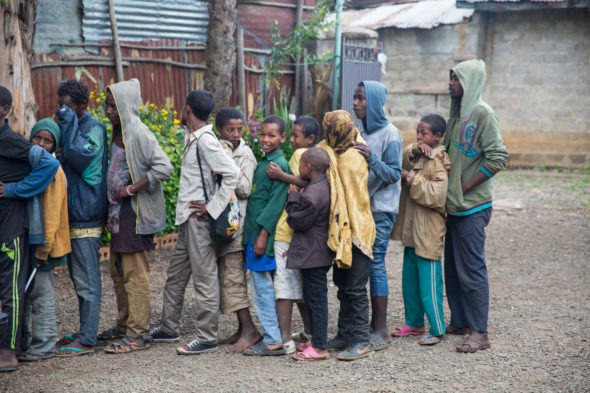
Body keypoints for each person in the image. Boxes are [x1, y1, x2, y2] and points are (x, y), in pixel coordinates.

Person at [149, 90, 239, 355]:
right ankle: (168, 327)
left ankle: (207, 338)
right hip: (188, 221)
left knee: (204, 279)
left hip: (200, 223)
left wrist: (212, 207)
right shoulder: (195, 138)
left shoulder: (206, 141)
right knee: (175, 277)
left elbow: (231, 174)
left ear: (187, 108)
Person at [99, 79, 173, 354]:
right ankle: (124, 324)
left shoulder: (139, 133)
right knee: (118, 272)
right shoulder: (118, 132)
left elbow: (164, 167)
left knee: (135, 274)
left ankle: (138, 334)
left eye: (113, 106)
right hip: (119, 215)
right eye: (106, 105)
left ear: (126, 106)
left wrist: (132, 188)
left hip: (135, 215)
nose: (108, 111)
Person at [443, 59, 508, 353]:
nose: (451, 84)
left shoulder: (483, 113)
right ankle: (460, 321)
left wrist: (464, 186)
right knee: (453, 269)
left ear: (469, 83)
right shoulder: (457, 115)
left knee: (471, 269)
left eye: (456, 79)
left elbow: (498, 157)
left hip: (472, 205)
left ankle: (480, 332)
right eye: (451, 78)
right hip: (454, 206)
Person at [0, 86, 60, 371]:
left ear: (5, 111)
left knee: (11, 291)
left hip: (9, 230)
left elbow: (49, 164)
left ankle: (9, 352)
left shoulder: (13, 142)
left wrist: (14, 190)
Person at [55, 79, 109, 357]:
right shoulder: (75, 125)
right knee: (79, 278)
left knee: (87, 279)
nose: (62, 111)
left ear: (83, 106)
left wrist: (65, 122)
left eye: (67, 107)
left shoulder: (95, 129)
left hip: (86, 214)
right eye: (59, 105)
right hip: (73, 214)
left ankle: (87, 339)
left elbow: (78, 156)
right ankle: (84, 330)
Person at [319, 110, 376, 361]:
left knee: (355, 288)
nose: (330, 134)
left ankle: (362, 339)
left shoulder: (355, 155)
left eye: (332, 129)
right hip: (338, 229)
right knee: (342, 286)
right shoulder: (327, 149)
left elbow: (351, 193)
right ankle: (344, 335)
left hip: (358, 229)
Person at [391, 114, 451, 346]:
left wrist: (412, 179)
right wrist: (415, 149)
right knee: (410, 280)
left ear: (437, 136)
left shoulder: (439, 160)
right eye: (417, 132)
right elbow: (405, 156)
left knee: (429, 282)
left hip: (428, 230)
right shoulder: (419, 153)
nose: (419, 136)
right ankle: (414, 323)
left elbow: (438, 195)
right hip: (412, 229)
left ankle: (437, 328)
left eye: (424, 133)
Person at [352, 81, 402, 349]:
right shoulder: (361, 131)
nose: (355, 103)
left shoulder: (390, 134)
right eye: (354, 98)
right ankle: (363, 324)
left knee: (375, 263)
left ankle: (380, 328)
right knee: (362, 263)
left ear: (373, 101)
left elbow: (394, 174)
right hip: (363, 207)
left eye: (361, 98)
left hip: (381, 208)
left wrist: (372, 158)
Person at [18, 119, 71, 363]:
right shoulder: (34, 167)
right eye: (37, 138)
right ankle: (27, 342)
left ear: (55, 146)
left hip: (44, 244)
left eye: (47, 141)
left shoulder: (53, 171)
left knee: (41, 293)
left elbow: (51, 214)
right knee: (27, 293)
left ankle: (45, 344)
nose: (40, 144)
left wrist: (44, 248)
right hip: (32, 241)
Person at [266, 116, 319, 352]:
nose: (293, 140)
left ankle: (284, 338)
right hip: (301, 233)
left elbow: (304, 182)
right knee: (300, 286)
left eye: (296, 135)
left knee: (284, 287)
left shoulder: (301, 155)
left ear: (310, 139)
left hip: (286, 232)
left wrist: (281, 176)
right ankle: (309, 331)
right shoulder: (321, 156)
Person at [213, 107, 261, 353]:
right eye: (229, 129)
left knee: (233, 278)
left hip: (237, 226)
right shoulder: (217, 149)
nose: (234, 134)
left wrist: (227, 161)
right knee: (227, 277)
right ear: (219, 129)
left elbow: (244, 189)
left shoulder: (245, 154)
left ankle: (250, 330)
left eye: (239, 129)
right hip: (221, 223)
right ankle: (242, 329)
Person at [241, 115, 290, 356]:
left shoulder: (278, 166)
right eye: (263, 134)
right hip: (254, 233)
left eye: (272, 135)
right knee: (264, 285)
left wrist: (262, 235)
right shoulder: (265, 163)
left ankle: (272, 339)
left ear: (283, 137)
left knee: (262, 287)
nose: (265, 139)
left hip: (263, 237)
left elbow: (275, 203)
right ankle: (274, 335)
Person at [285, 147, 334, 361]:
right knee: (315, 298)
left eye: (301, 163)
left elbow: (296, 220)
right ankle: (315, 341)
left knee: (317, 300)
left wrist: (293, 198)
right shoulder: (323, 184)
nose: (299, 167)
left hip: (314, 253)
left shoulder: (312, 195)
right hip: (318, 251)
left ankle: (320, 347)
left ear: (309, 167)